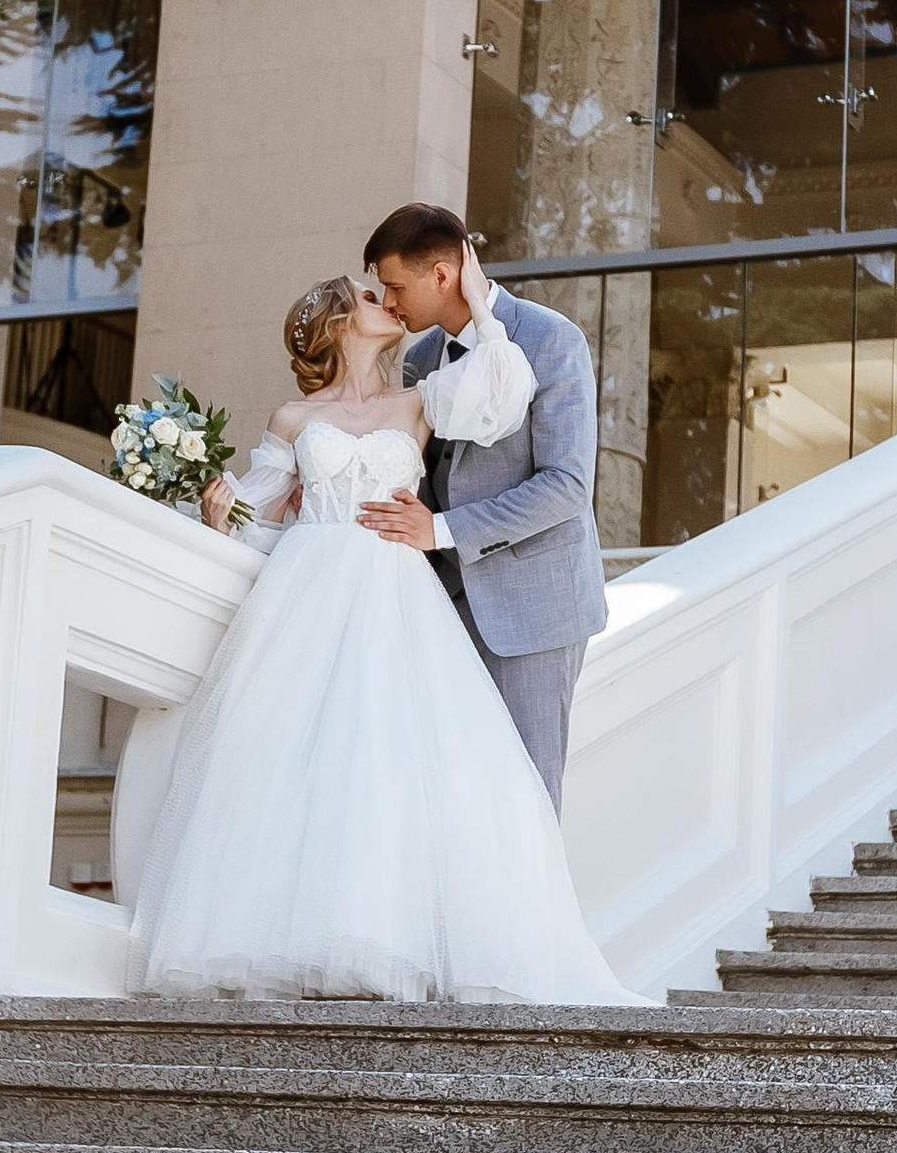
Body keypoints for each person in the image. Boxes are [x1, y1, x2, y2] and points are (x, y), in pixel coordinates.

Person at [113, 248, 629, 1003]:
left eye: (388, 288)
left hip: (397, 592)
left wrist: (479, 299)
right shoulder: (293, 419)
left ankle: (412, 941)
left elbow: (501, 389)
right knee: (298, 764)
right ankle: (295, 937)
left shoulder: (420, 400)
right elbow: (265, 524)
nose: (388, 302)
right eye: (368, 295)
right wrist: (222, 517)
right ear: (336, 322)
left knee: (391, 765)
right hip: (309, 593)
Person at [360, 200, 605, 811]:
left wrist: (441, 530)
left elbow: (567, 485)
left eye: (395, 287)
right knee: (449, 800)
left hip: (533, 613)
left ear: (442, 275)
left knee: (525, 800)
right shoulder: (419, 360)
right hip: (440, 611)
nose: (388, 303)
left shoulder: (551, 340)